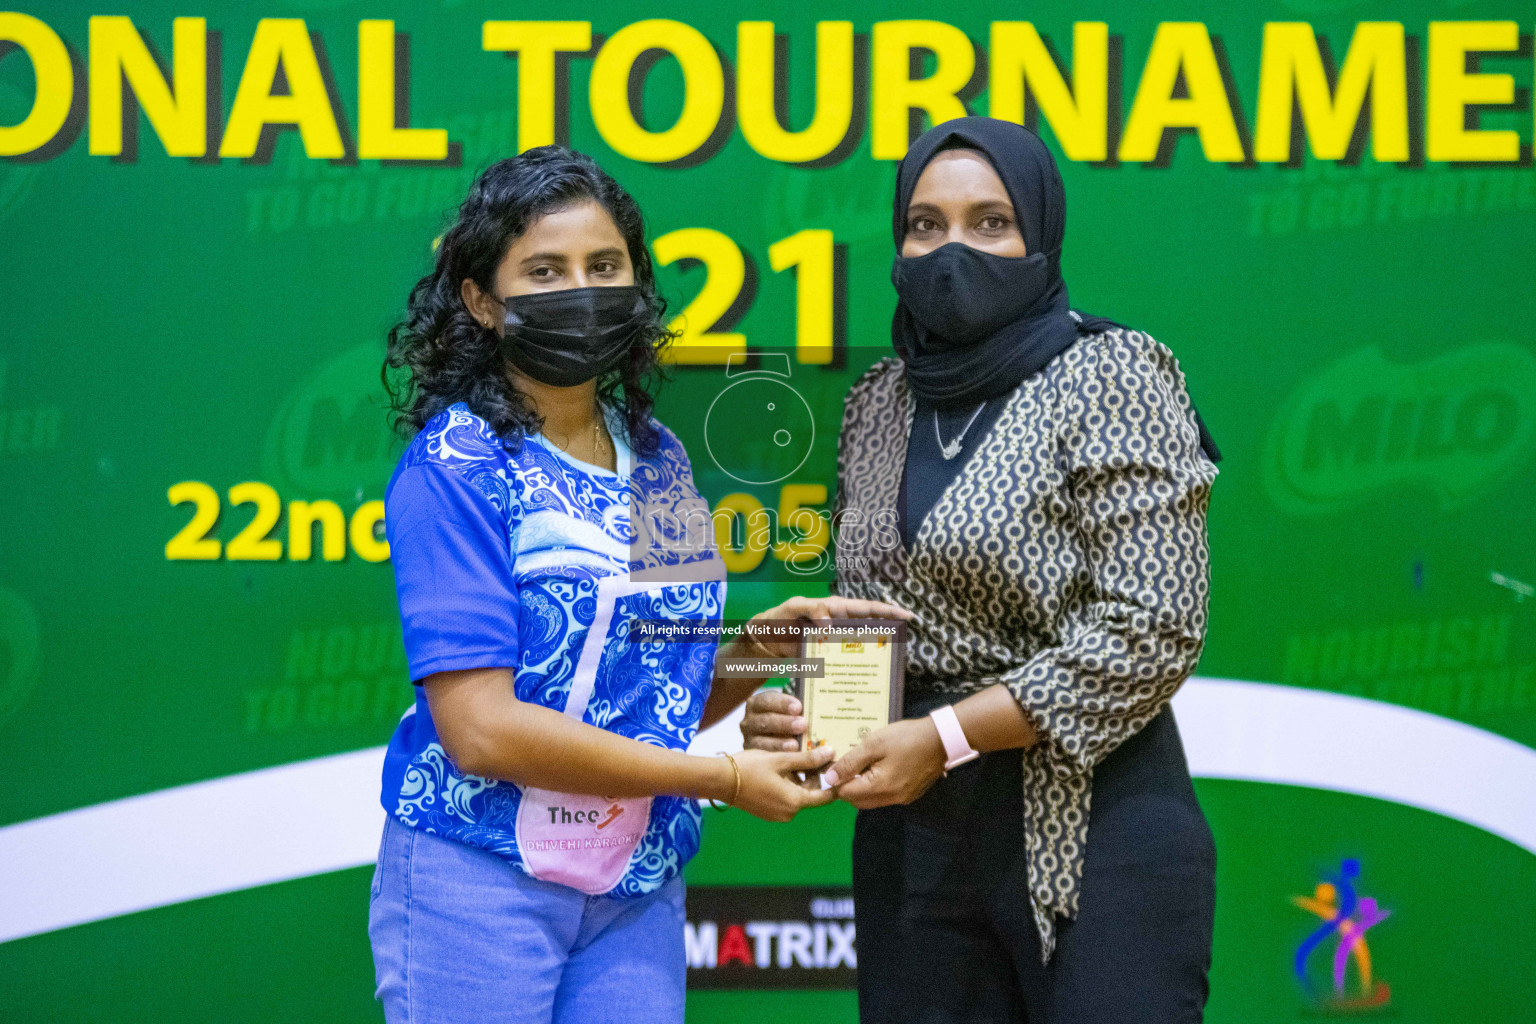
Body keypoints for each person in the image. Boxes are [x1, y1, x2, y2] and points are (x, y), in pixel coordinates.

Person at [370, 146, 908, 1024]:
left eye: (603, 267)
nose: (580, 291)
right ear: (482, 301)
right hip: (478, 872)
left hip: (632, 883)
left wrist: (751, 656)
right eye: (545, 271)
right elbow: (481, 730)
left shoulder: (658, 460)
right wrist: (722, 778)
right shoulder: (456, 465)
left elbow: (664, 695)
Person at [741, 117, 1223, 1023]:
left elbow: (1152, 629)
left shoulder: (1112, 372)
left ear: (1038, 234)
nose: (952, 250)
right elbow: (878, 617)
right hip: (912, 838)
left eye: (989, 222)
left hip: (1093, 826)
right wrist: (795, 712)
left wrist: (947, 737)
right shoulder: (878, 401)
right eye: (925, 225)